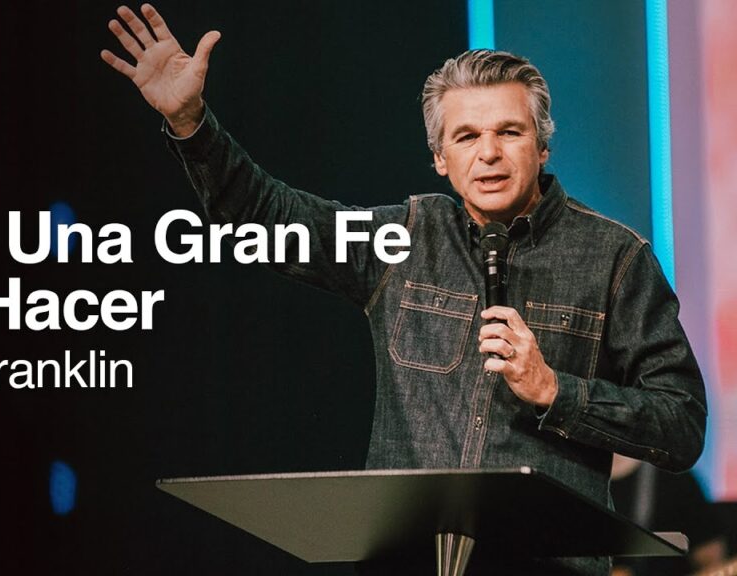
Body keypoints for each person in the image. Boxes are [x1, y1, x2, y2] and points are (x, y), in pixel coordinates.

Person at [101, 4, 708, 575]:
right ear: (440, 158)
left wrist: (555, 390)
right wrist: (190, 124)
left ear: (543, 146)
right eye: (466, 137)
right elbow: (266, 215)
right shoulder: (405, 238)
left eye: (509, 132)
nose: (489, 154)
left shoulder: (615, 259)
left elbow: (681, 425)